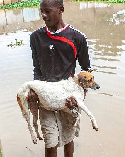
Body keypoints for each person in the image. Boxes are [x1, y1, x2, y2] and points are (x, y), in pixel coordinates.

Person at [27, 0, 90, 156]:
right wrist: (34, 90)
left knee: (68, 139)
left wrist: (80, 97)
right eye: (41, 11)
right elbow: (37, 68)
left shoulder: (77, 38)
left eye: (47, 11)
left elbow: (86, 70)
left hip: (67, 97)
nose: (43, 16)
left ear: (61, 10)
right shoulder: (36, 37)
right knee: (50, 142)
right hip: (46, 96)